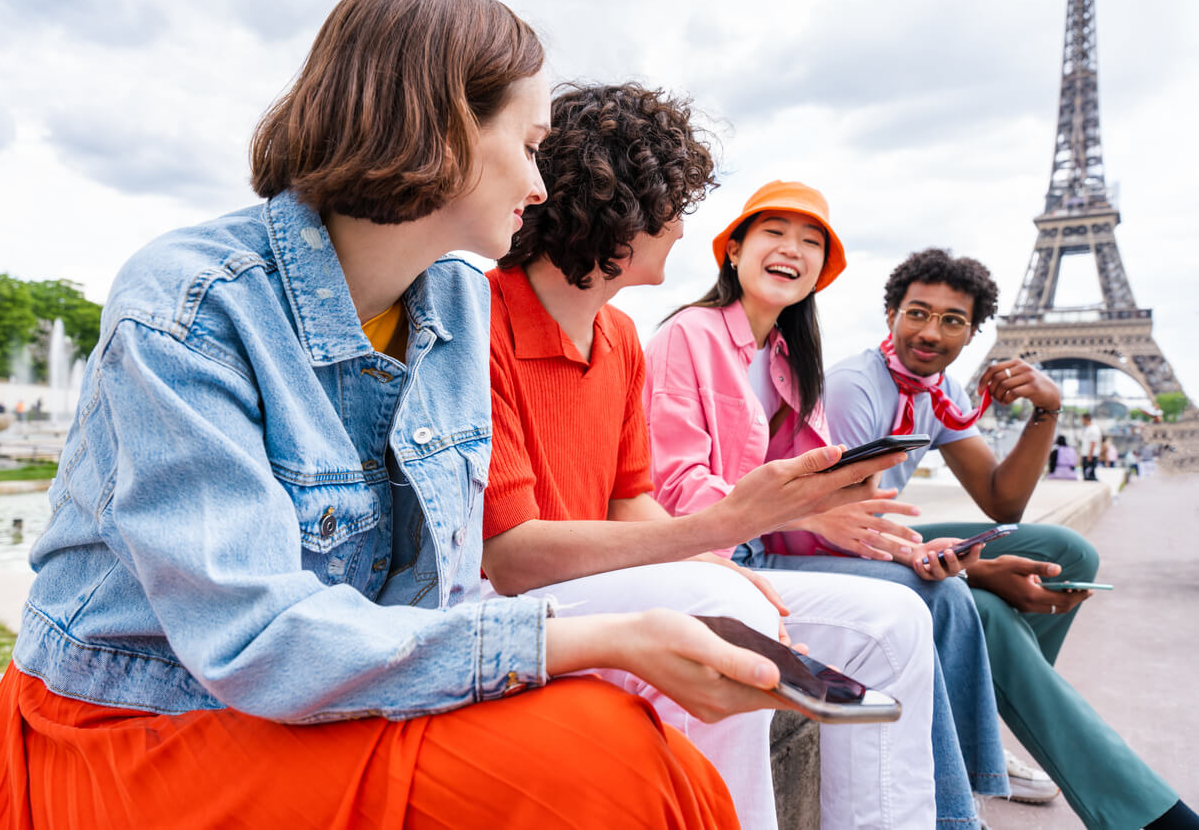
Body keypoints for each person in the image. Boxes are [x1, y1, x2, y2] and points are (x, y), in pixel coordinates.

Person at [0, 0, 756, 827]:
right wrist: (598, 637)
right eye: (528, 146)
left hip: (316, 699)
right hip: (141, 724)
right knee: (598, 759)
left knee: (617, 740)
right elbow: (254, 639)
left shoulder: (453, 305)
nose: (540, 185)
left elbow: (427, 598)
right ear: (443, 128)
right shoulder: (189, 307)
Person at [483, 85, 938, 830]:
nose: (686, 226)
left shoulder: (623, 339)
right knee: (727, 610)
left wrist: (714, 554)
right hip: (519, 601)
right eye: (675, 204)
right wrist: (719, 535)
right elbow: (507, 559)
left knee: (894, 620)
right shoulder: (485, 321)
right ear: (623, 210)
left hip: (610, 577)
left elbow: (635, 498)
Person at [643, 182, 1007, 828]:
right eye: (773, 234)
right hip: (710, 564)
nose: (792, 250)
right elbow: (675, 491)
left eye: (810, 243)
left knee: (933, 591)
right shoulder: (688, 336)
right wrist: (801, 513)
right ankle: (960, 810)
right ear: (732, 251)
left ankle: (960, 803)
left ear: (821, 273)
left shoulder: (789, 360)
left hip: (764, 558)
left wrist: (898, 544)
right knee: (904, 613)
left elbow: (820, 503)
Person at [822, 247, 1198, 830]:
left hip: (879, 530)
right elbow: (847, 527)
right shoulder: (855, 387)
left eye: (952, 320)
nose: (931, 331)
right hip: (828, 544)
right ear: (891, 314)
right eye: (918, 313)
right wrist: (973, 572)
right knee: (986, 609)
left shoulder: (939, 392)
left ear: (972, 335)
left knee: (1069, 553)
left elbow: (1003, 502)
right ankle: (1143, 815)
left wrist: (1046, 410)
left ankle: (994, 717)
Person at [1080, 412, 1102, 480]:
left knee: (1089, 474)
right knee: (1086, 474)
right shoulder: (1087, 428)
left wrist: (1090, 455)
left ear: (1085, 419)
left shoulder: (1093, 429)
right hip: (1086, 453)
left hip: (1090, 454)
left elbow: (1093, 442)